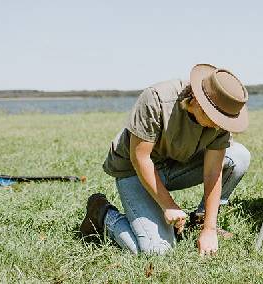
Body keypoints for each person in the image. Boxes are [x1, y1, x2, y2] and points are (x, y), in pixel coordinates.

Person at [79, 64, 251, 256]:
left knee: (239, 156)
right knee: (157, 250)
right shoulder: (156, 99)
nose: (221, 126)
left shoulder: (220, 121)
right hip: (134, 170)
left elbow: (213, 172)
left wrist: (209, 229)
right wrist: (168, 205)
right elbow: (140, 158)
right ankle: (102, 214)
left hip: (176, 164)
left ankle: (199, 222)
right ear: (198, 102)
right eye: (217, 119)